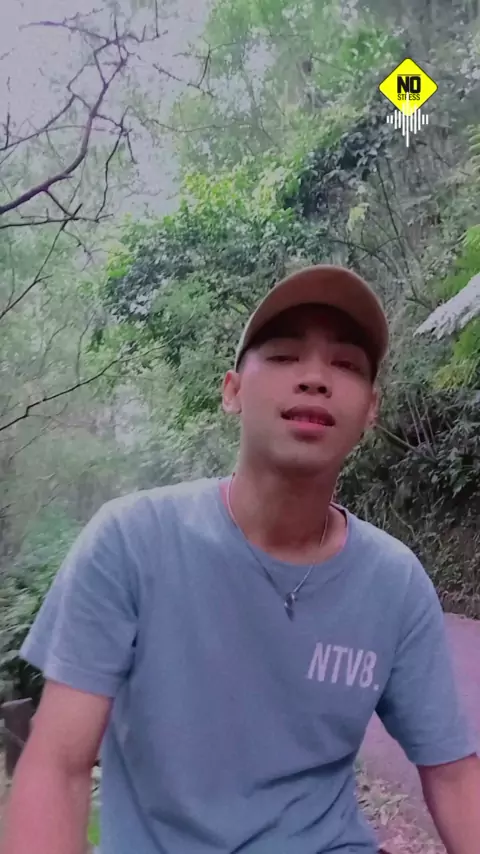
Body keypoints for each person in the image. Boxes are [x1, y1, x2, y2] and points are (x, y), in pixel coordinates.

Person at [2, 265, 479, 854]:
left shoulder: (394, 582)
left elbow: (454, 775)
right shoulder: (132, 542)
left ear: (371, 409)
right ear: (232, 391)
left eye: (346, 365)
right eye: (283, 357)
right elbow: (57, 766)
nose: (315, 378)